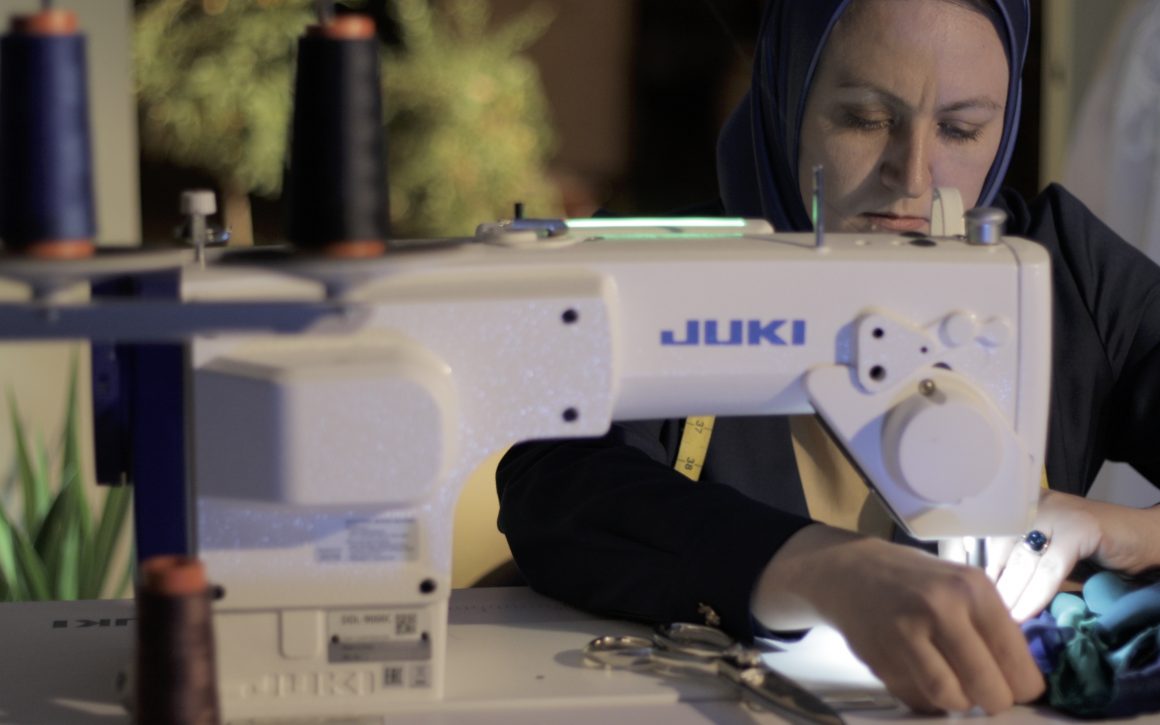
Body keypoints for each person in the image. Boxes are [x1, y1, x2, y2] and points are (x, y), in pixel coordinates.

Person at [496, 0, 1160, 715]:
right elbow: (556, 485)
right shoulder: (663, 273)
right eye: (865, 119)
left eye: (962, 129)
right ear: (787, 95)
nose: (913, 176)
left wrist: (1135, 531)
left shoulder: (1066, 270)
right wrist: (816, 568)